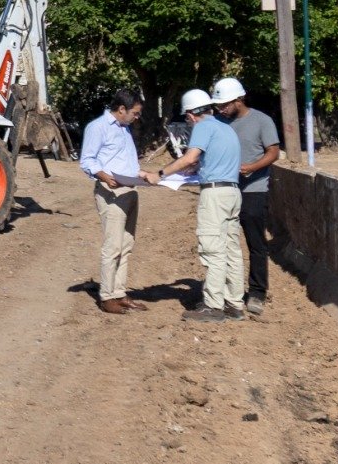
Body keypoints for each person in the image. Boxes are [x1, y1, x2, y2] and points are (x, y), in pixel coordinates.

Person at [160, 89, 244, 323]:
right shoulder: (225, 128)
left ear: (190, 114)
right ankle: (234, 303)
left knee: (213, 250)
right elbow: (214, 160)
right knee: (231, 250)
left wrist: (160, 174)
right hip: (232, 192)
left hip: (214, 195)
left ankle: (213, 306)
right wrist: (198, 168)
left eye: (187, 118)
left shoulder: (203, 127)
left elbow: (189, 157)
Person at [79, 90, 157, 315]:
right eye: (135, 113)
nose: (137, 117)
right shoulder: (98, 127)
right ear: (122, 109)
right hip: (111, 192)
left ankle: (119, 292)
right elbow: (87, 160)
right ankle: (106, 297)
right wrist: (104, 177)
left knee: (126, 244)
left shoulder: (124, 128)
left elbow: (124, 162)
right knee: (113, 246)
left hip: (130, 189)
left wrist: (142, 174)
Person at [212, 77, 280, 316]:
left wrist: (252, 167)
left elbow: (273, 152)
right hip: (225, 190)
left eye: (224, 104)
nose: (221, 109)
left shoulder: (262, 121)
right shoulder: (218, 123)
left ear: (239, 100)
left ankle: (257, 292)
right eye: (219, 105)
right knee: (221, 243)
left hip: (253, 190)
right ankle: (224, 290)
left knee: (256, 243)